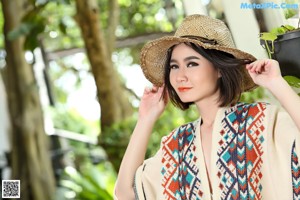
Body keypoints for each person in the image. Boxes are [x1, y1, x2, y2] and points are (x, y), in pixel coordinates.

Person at [114, 14, 300, 200]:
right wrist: (146, 118)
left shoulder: (261, 120)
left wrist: (277, 83)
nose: (180, 76)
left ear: (219, 68)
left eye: (192, 64)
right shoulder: (177, 145)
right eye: (174, 66)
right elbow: (125, 194)